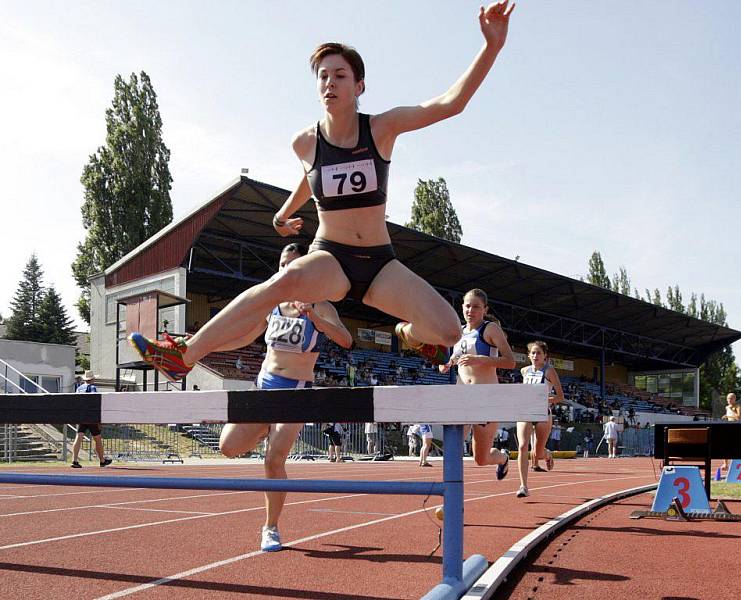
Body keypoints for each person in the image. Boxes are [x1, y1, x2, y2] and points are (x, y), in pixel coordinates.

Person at [128, 2, 516, 383]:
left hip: (379, 262)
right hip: (331, 254)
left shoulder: (382, 128)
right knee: (276, 286)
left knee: (449, 332)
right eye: (323, 76)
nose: (330, 82)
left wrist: (491, 46)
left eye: (340, 75)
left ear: (359, 85)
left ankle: (407, 334)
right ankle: (184, 353)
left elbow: (451, 104)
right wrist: (283, 213)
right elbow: (310, 177)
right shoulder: (305, 142)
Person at [217, 243, 352, 552]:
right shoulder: (272, 303)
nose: (285, 271)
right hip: (263, 387)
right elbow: (243, 336)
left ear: (304, 270)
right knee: (228, 447)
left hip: (295, 393)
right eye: (281, 264)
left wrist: (316, 319)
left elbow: (346, 340)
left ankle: (271, 527)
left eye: (292, 265)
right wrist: (203, 346)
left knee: (273, 460)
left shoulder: (322, 304)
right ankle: (266, 426)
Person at [440, 289, 516, 478]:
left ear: (484, 309)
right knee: (452, 447)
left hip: (486, 398)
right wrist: (446, 364)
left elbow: (510, 361)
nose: (471, 310)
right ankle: (451, 499)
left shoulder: (490, 329)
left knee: (480, 459)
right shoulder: (457, 332)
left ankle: (502, 458)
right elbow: (453, 359)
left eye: (476, 307)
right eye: (467, 306)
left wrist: (480, 359)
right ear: (462, 307)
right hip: (462, 397)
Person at [515, 341, 564, 498]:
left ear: (545, 356)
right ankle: (523, 486)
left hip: (542, 413)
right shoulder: (524, 371)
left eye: (539, 353)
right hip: (525, 412)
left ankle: (547, 454)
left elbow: (560, 396)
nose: (535, 356)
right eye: (533, 353)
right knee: (523, 447)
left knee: (537, 453)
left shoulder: (549, 371)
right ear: (528, 355)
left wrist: (543, 399)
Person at [71, 371, 112, 468]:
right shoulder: (92, 387)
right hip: (91, 417)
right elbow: (94, 401)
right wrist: (98, 419)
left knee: (79, 436)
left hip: (82, 416)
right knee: (97, 438)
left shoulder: (79, 388)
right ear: (92, 379)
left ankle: (74, 460)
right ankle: (102, 460)